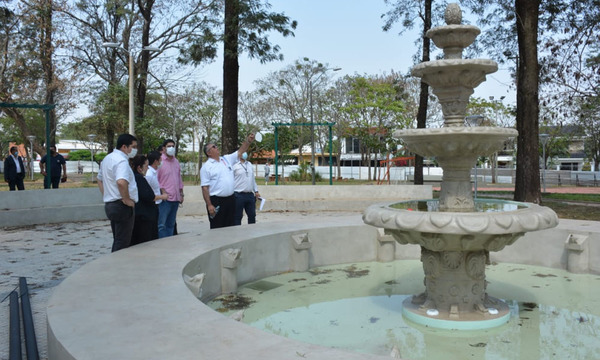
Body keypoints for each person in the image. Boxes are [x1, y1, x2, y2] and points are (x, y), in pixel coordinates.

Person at [200, 133, 254, 229]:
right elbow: (205, 188)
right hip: (216, 200)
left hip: (230, 199)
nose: (217, 147)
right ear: (208, 152)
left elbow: (240, 151)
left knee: (231, 226)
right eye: (214, 147)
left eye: (216, 146)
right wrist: (209, 205)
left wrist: (248, 141)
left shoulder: (226, 159)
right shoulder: (206, 167)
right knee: (218, 226)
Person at [97, 134, 138, 252]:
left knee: (118, 238)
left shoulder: (107, 158)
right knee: (122, 242)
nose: (135, 150)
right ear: (124, 147)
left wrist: (106, 194)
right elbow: (121, 182)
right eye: (133, 146)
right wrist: (126, 199)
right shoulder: (121, 161)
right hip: (121, 205)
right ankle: (117, 267)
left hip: (111, 204)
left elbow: (99, 179)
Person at [130, 155, 168, 246]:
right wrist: (163, 196)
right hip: (144, 216)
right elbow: (149, 196)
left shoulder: (137, 178)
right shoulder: (138, 178)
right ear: (139, 168)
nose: (147, 169)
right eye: (146, 166)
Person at [157, 139, 184, 238]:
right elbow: (155, 179)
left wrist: (181, 193)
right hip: (165, 199)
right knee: (161, 225)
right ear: (164, 148)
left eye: (173, 146)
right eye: (169, 146)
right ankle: (162, 246)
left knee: (171, 224)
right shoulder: (160, 162)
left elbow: (179, 178)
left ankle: (169, 245)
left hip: (176, 199)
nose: (171, 148)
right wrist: (162, 192)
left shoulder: (176, 161)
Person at [233, 152, 261, 225]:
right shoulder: (234, 165)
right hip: (238, 195)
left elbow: (253, 179)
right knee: (237, 216)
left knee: (252, 215)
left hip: (249, 195)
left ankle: (251, 232)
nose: (245, 154)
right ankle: (237, 233)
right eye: (242, 152)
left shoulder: (249, 164)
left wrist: (256, 191)